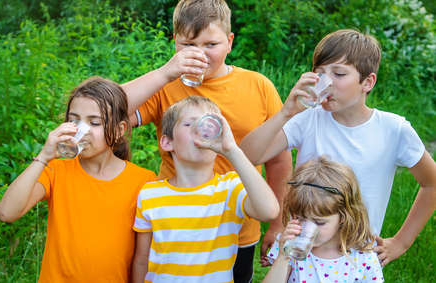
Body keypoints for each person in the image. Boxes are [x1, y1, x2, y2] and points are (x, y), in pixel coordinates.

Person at [121, 0, 292, 278]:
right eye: (188, 45)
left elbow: (279, 161)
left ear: (230, 42)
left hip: (238, 227)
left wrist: (277, 224)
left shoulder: (258, 86)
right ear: (174, 42)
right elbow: (106, 111)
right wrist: (165, 73)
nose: (199, 54)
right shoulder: (164, 86)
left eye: (210, 45)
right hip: (173, 223)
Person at [240, 29, 436, 267]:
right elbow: (248, 155)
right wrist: (286, 112)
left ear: (368, 82)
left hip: (356, 260)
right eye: (319, 73)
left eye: (339, 73)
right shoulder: (307, 119)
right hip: (302, 252)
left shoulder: (393, 129)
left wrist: (401, 242)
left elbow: (431, 182)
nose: (327, 82)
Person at [0, 76, 157, 282]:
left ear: (119, 130)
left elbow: (143, 258)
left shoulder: (143, 181)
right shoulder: (56, 170)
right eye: (74, 121)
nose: (82, 130)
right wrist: (44, 157)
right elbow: (6, 212)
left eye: (95, 122)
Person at [132, 96, 280, 282]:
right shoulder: (150, 195)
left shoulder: (229, 189)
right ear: (167, 142)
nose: (201, 130)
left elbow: (269, 211)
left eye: (210, 125)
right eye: (188, 124)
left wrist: (232, 150)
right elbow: (141, 261)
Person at [262, 157, 384, 283]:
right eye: (299, 219)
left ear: (344, 216)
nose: (307, 228)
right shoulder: (291, 246)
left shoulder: (363, 259)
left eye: (319, 222)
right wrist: (283, 256)